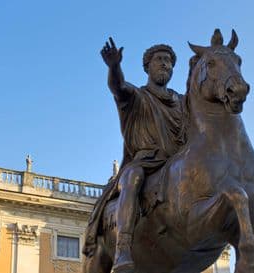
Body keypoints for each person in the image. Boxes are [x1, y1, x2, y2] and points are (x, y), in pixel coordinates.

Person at [84, 38, 186, 273]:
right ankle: (123, 247)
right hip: (144, 160)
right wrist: (114, 67)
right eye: (160, 59)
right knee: (132, 178)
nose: (165, 64)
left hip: (176, 162)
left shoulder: (182, 103)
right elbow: (118, 86)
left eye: (169, 61)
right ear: (147, 67)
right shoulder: (136, 96)